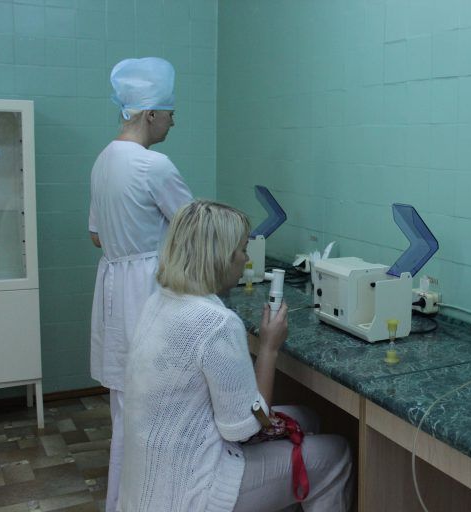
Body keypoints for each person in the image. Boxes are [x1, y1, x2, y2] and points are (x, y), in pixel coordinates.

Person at [118, 200, 353, 511]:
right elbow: (244, 428)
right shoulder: (216, 323)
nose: (246, 259)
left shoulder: (158, 301)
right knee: (337, 454)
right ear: (222, 257)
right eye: (243, 250)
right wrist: (269, 348)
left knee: (309, 417)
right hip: (193, 493)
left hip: (149, 483)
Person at [88, 57, 193, 511]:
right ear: (150, 113)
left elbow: (96, 235)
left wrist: (130, 240)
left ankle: (123, 500)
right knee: (159, 410)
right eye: (169, 112)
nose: (173, 121)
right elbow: (198, 231)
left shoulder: (103, 160)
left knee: (126, 414)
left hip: (115, 292)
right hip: (148, 295)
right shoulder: (154, 165)